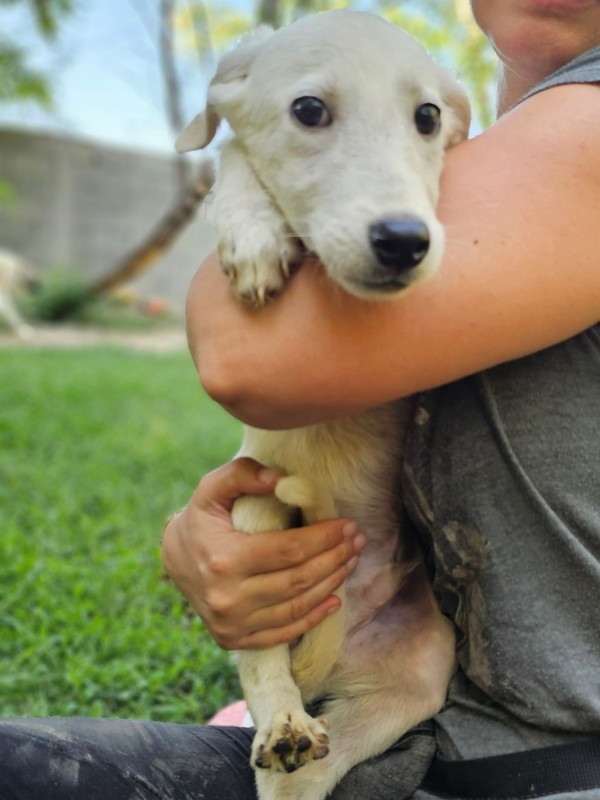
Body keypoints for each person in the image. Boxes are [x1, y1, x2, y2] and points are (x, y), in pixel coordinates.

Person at [2, 1, 600, 798]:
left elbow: (247, 355)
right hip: (430, 716)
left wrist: (246, 184)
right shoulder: (479, 142)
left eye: (426, 119)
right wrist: (203, 543)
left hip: (533, 764)